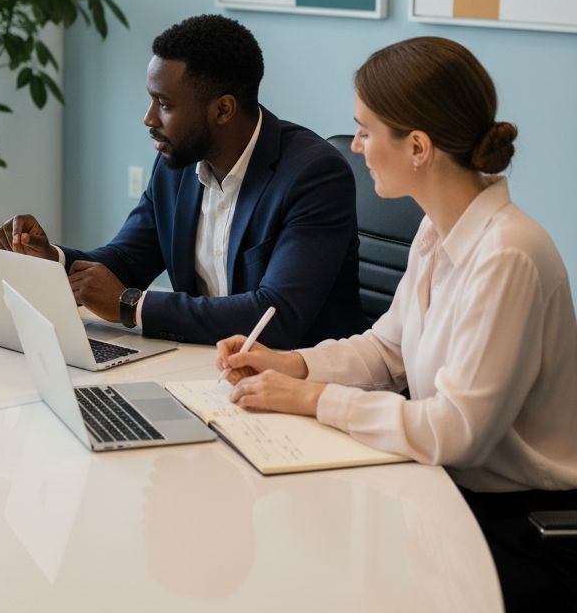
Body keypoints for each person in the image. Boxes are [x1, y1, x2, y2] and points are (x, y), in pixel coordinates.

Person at [217, 37, 577, 611]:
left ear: (417, 147)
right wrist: (294, 363)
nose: (355, 146)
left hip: (519, 530)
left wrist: (312, 398)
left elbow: (457, 431)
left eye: (365, 130)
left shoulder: (507, 255)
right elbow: (388, 351)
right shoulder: (438, 232)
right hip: (452, 498)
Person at [0, 14, 367, 347]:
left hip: (299, 382)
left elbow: (276, 316)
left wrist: (132, 307)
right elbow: (126, 260)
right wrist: (51, 259)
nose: (149, 118)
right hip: (204, 366)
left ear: (223, 109)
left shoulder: (313, 175)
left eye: (165, 105)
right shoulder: (178, 165)